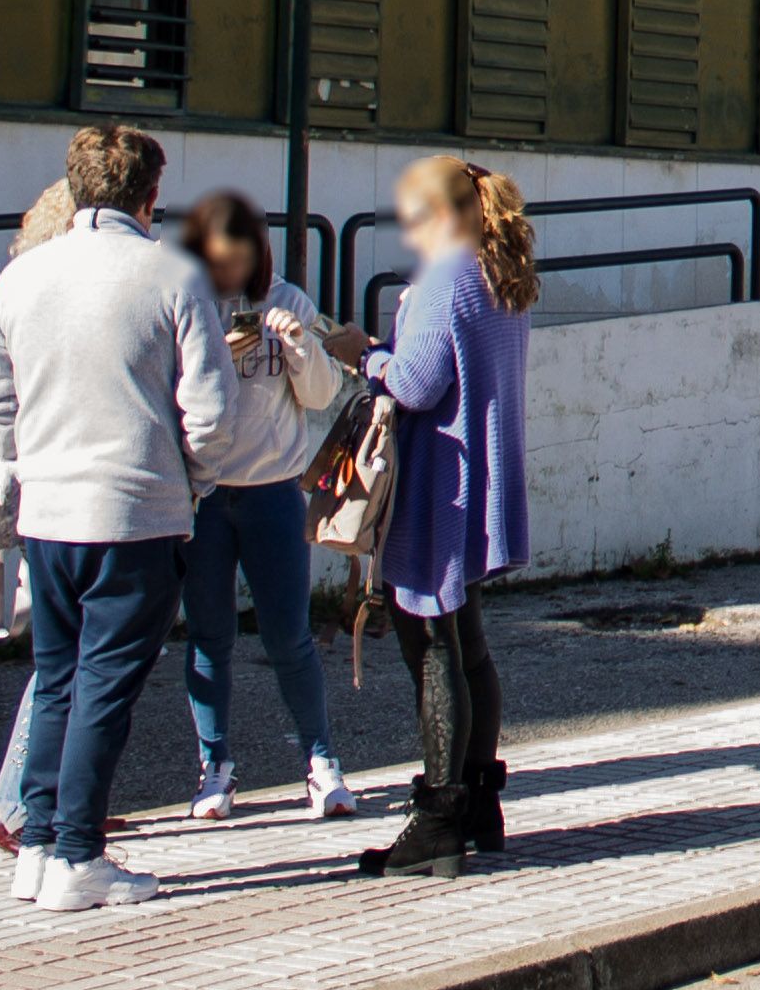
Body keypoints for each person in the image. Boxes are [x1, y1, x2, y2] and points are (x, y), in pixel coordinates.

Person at [0, 123, 238, 912]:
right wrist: (191, 483)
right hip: (136, 510)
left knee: (55, 678)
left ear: (76, 187)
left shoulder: (21, 279)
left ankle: (42, 841)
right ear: (151, 195)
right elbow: (212, 418)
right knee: (105, 686)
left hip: (47, 515)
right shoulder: (172, 275)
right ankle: (80, 852)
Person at [359, 156, 537, 879]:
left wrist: (363, 355)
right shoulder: (502, 273)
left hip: (441, 481)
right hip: (482, 475)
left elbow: (415, 379)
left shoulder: (447, 275)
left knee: (430, 644)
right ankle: (479, 803)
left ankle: (438, 817)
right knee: (469, 645)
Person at [175, 191, 361, 825]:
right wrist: (217, 356)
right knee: (209, 637)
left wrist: (300, 348)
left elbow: (321, 396)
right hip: (201, 497)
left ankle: (322, 764)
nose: (228, 273)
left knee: (290, 637)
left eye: (238, 260)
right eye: (216, 261)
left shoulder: (287, 300)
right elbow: (172, 391)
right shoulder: (189, 302)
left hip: (273, 492)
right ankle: (215, 769)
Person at [0, 177, 79, 852]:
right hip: (71, 495)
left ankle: (40, 797)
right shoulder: (65, 293)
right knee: (67, 662)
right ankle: (19, 799)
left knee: (61, 658)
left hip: (41, 491)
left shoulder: (20, 285)